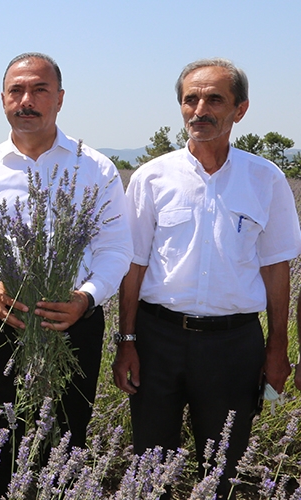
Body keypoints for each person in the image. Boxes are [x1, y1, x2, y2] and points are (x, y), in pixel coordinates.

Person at [0, 52, 132, 496]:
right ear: (3, 99)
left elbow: (116, 248)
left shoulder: (96, 168)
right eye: (16, 91)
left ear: (60, 98)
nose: (26, 100)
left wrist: (85, 298)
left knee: (65, 441)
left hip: (72, 322)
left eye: (39, 90)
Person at [113, 58, 300, 492]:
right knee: (150, 468)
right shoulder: (152, 177)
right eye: (190, 99)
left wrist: (277, 348)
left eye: (214, 99)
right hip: (158, 340)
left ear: (240, 109)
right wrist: (127, 341)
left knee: (224, 469)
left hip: (234, 346)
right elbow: (133, 265)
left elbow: (277, 268)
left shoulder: (266, 179)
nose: (199, 110)